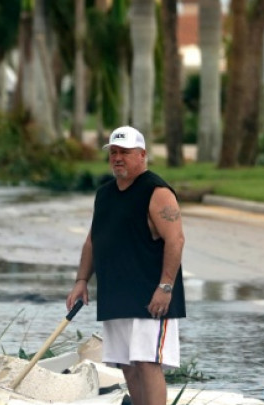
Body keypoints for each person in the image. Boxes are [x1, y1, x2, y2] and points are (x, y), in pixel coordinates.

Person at [66, 125, 186, 405]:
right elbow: (93, 242)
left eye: (125, 152)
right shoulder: (105, 194)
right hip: (116, 294)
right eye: (114, 152)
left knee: (147, 362)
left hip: (151, 296)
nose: (118, 158)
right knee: (128, 365)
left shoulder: (157, 192)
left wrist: (165, 287)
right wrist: (81, 280)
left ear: (142, 155)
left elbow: (176, 240)